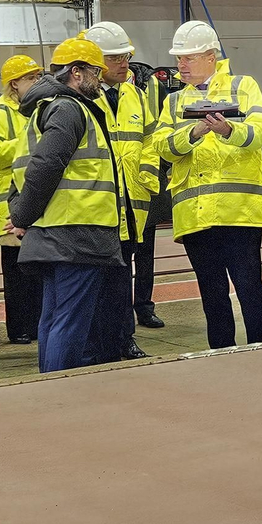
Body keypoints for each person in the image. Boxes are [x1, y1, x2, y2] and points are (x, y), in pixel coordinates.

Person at [8, 38, 132, 374]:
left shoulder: (43, 110)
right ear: (76, 72)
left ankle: (50, 387)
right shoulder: (68, 109)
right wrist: (22, 215)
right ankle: (60, 391)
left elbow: (23, 170)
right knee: (70, 323)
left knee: (54, 319)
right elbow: (45, 166)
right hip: (76, 233)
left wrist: (21, 213)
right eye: (95, 72)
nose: (100, 79)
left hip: (56, 232)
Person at [155, 20, 262, 349]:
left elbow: (261, 132)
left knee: (249, 287)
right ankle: (220, 354)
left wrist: (227, 130)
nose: (181, 65)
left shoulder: (242, 87)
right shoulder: (174, 101)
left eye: (188, 58)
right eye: (179, 58)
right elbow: (162, 146)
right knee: (212, 293)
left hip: (239, 212)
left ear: (211, 57)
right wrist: (193, 133)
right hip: (195, 216)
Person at [82, 21, 163, 357]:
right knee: (97, 279)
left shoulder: (135, 95)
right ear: (94, 61)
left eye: (126, 56)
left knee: (121, 275)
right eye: (115, 58)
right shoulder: (80, 99)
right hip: (98, 205)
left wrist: (147, 175)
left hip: (132, 201)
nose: (124, 63)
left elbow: (152, 138)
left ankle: (123, 339)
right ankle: (95, 345)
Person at [0, 55, 44, 345]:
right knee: (17, 273)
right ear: (14, 84)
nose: (36, 82)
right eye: (30, 78)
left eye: (37, 76)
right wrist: (32, 143)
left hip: (34, 200)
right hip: (9, 204)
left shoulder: (39, 108)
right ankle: (19, 328)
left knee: (37, 269)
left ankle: (37, 324)